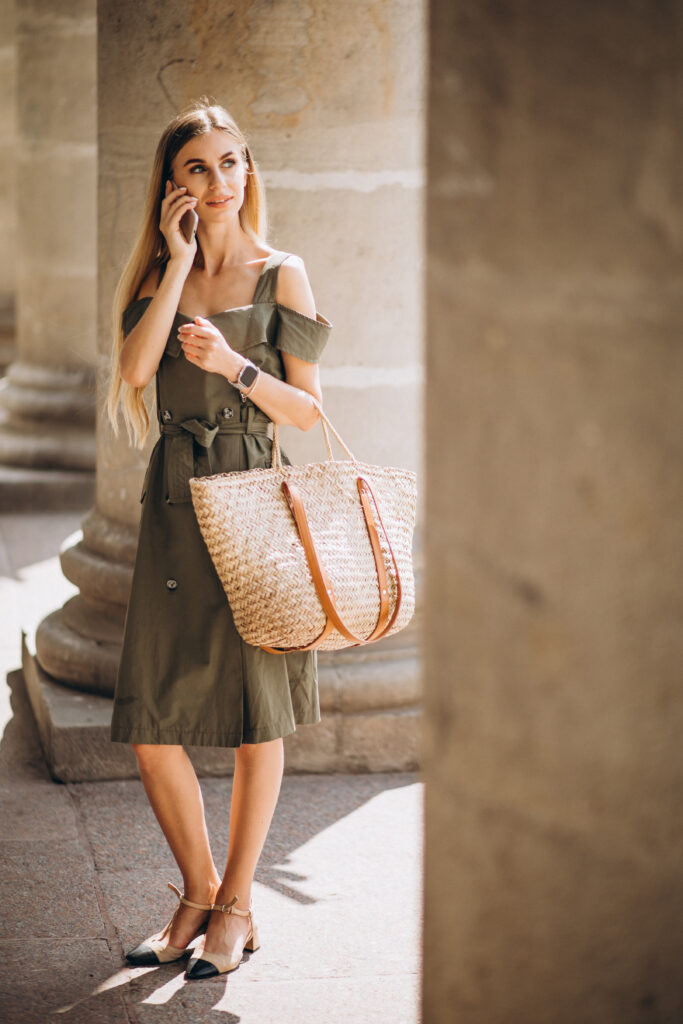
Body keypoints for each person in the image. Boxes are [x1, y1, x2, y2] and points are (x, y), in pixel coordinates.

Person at [105, 97, 332, 980]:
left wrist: (235, 367)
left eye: (232, 162)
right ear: (172, 185)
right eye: (198, 167)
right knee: (150, 720)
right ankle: (197, 889)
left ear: (249, 171)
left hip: (253, 505)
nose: (220, 181)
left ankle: (235, 905)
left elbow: (309, 413)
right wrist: (177, 261)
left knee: (253, 713)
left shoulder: (284, 275)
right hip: (174, 508)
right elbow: (132, 369)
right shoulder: (162, 277)